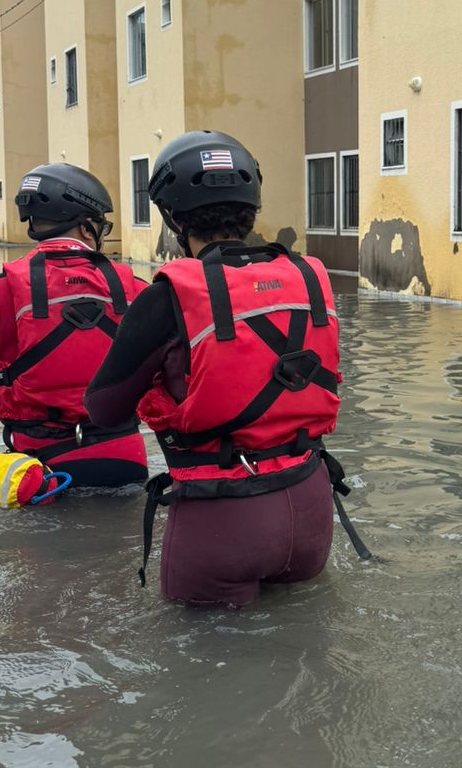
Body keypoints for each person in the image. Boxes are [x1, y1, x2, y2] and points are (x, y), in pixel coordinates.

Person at [85, 130, 362, 607]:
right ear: (251, 204)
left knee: (199, 670)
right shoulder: (310, 280)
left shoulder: (166, 297)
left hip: (221, 524)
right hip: (312, 509)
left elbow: (105, 411)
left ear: (171, 215)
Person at [0, 163, 150, 488]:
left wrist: (0, 362)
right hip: (124, 461)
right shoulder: (140, 290)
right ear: (87, 228)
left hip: (37, 473)